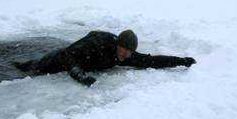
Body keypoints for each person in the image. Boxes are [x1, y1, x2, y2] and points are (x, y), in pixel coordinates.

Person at [15, 30, 196, 86]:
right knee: (24, 68)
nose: (126, 55)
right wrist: (80, 76)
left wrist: (180, 61)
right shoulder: (98, 42)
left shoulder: (125, 55)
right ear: (118, 44)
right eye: (125, 50)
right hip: (50, 63)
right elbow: (66, 55)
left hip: (67, 63)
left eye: (130, 52)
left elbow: (150, 61)